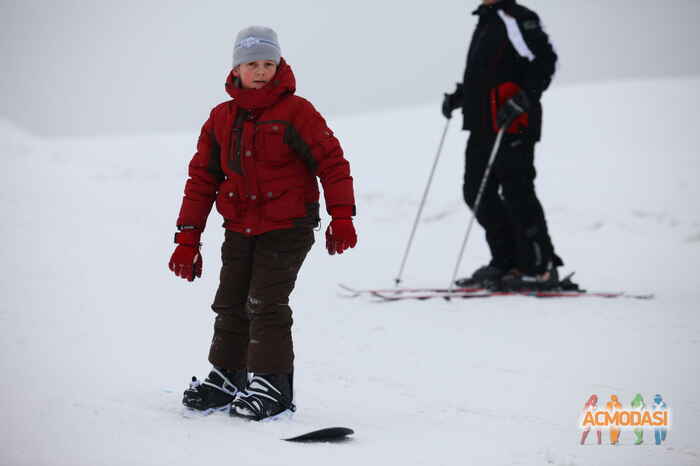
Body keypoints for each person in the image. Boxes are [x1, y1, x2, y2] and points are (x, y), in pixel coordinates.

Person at [168, 26, 357, 421]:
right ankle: (228, 377)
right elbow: (202, 179)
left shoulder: (297, 112)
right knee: (231, 302)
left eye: (268, 63)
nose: (260, 71)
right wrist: (188, 238)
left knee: (266, 302)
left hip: (288, 226)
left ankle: (273, 385)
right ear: (236, 68)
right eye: (252, 63)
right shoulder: (221, 118)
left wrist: (342, 217)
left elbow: (333, 163)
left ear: (279, 65)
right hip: (239, 226)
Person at [443, 0, 563, 290]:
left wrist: (522, 99)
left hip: (513, 124)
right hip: (482, 124)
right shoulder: (486, 21)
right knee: (475, 191)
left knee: (517, 192)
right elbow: (489, 73)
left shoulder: (517, 18)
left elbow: (546, 61)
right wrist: (461, 96)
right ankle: (507, 260)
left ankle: (540, 266)